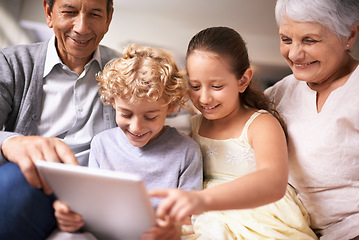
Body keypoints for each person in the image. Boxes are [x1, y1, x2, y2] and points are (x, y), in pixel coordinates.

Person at [151, 26, 318, 239]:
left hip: (258, 216)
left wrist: (203, 199)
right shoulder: (192, 127)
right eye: (194, 86)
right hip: (205, 217)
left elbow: (273, 181)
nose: (204, 98)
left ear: (243, 81)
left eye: (217, 86)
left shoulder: (260, 124)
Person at [52, 43, 203, 239]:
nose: (136, 127)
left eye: (150, 117)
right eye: (126, 114)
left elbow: (191, 217)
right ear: (113, 102)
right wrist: (71, 215)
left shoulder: (186, 151)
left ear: (171, 106)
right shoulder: (101, 144)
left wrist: (172, 227)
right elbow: (90, 204)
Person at [0, 0, 118, 239]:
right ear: (48, 12)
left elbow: (170, 117)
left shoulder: (126, 69)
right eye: (69, 12)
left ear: (108, 19)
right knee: (13, 185)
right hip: (34, 185)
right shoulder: (11, 63)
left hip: (98, 195)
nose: (82, 27)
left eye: (95, 14)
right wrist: (10, 141)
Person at [264, 0, 359, 239]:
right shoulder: (281, 91)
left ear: (350, 34)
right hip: (293, 229)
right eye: (286, 39)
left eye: (310, 40)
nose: (294, 53)